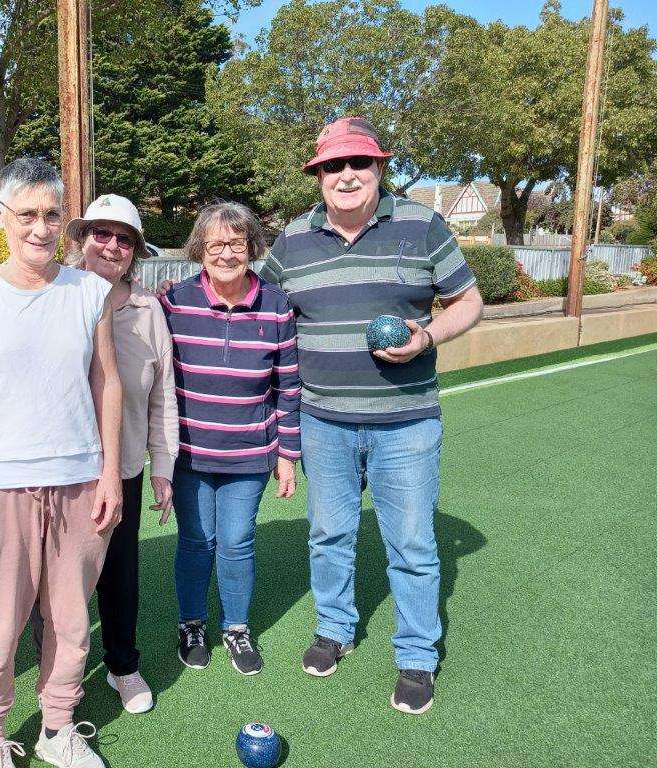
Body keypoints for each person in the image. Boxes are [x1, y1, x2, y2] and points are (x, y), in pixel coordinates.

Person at [258, 116, 484, 714]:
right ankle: (334, 628)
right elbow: (260, 307)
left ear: (379, 168)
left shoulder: (421, 224)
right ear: (318, 176)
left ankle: (416, 655)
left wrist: (427, 337)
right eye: (334, 166)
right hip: (323, 419)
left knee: (410, 543)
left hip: (406, 420)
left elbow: (470, 300)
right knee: (329, 534)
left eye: (359, 163)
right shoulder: (292, 241)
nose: (347, 175)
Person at [0, 158, 124, 768]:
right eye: (26, 215)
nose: (40, 229)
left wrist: (108, 474)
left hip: (78, 483)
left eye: (50, 215)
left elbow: (107, 383)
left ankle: (57, 728)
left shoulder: (90, 292)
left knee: (70, 622)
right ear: (0, 218)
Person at [159, 201, 301, 677]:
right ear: (200, 249)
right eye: (216, 244)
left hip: (249, 453)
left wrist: (288, 455)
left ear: (252, 249)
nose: (225, 253)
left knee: (237, 542)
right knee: (197, 541)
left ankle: (236, 627)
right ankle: (192, 624)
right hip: (190, 455)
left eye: (236, 244)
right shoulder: (173, 301)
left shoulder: (277, 304)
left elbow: (288, 386)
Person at [57, 193, 178, 714]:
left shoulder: (150, 312)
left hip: (120, 469)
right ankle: (57, 673)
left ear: (136, 252)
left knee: (118, 574)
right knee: (54, 581)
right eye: (101, 234)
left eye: (123, 238)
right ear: (83, 240)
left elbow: (162, 396)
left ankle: (122, 667)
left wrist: (162, 469)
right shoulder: (51, 296)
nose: (111, 246)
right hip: (56, 469)